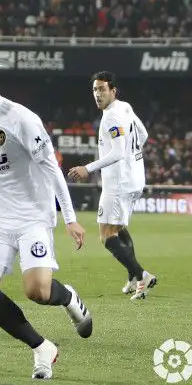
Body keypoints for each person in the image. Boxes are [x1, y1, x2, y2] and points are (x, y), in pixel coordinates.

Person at [0, 50, 92, 380]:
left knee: (38, 292)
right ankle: (42, 347)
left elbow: (52, 169)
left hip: (31, 219)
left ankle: (68, 296)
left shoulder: (22, 121)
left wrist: (69, 218)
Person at [68, 71, 157, 300]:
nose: (97, 94)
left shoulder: (110, 117)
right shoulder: (125, 107)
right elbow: (144, 135)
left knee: (106, 236)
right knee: (118, 228)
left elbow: (117, 152)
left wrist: (87, 168)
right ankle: (132, 277)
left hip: (118, 183)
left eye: (102, 89)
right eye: (95, 90)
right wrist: (132, 155)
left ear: (113, 91)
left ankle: (142, 275)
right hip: (134, 178)